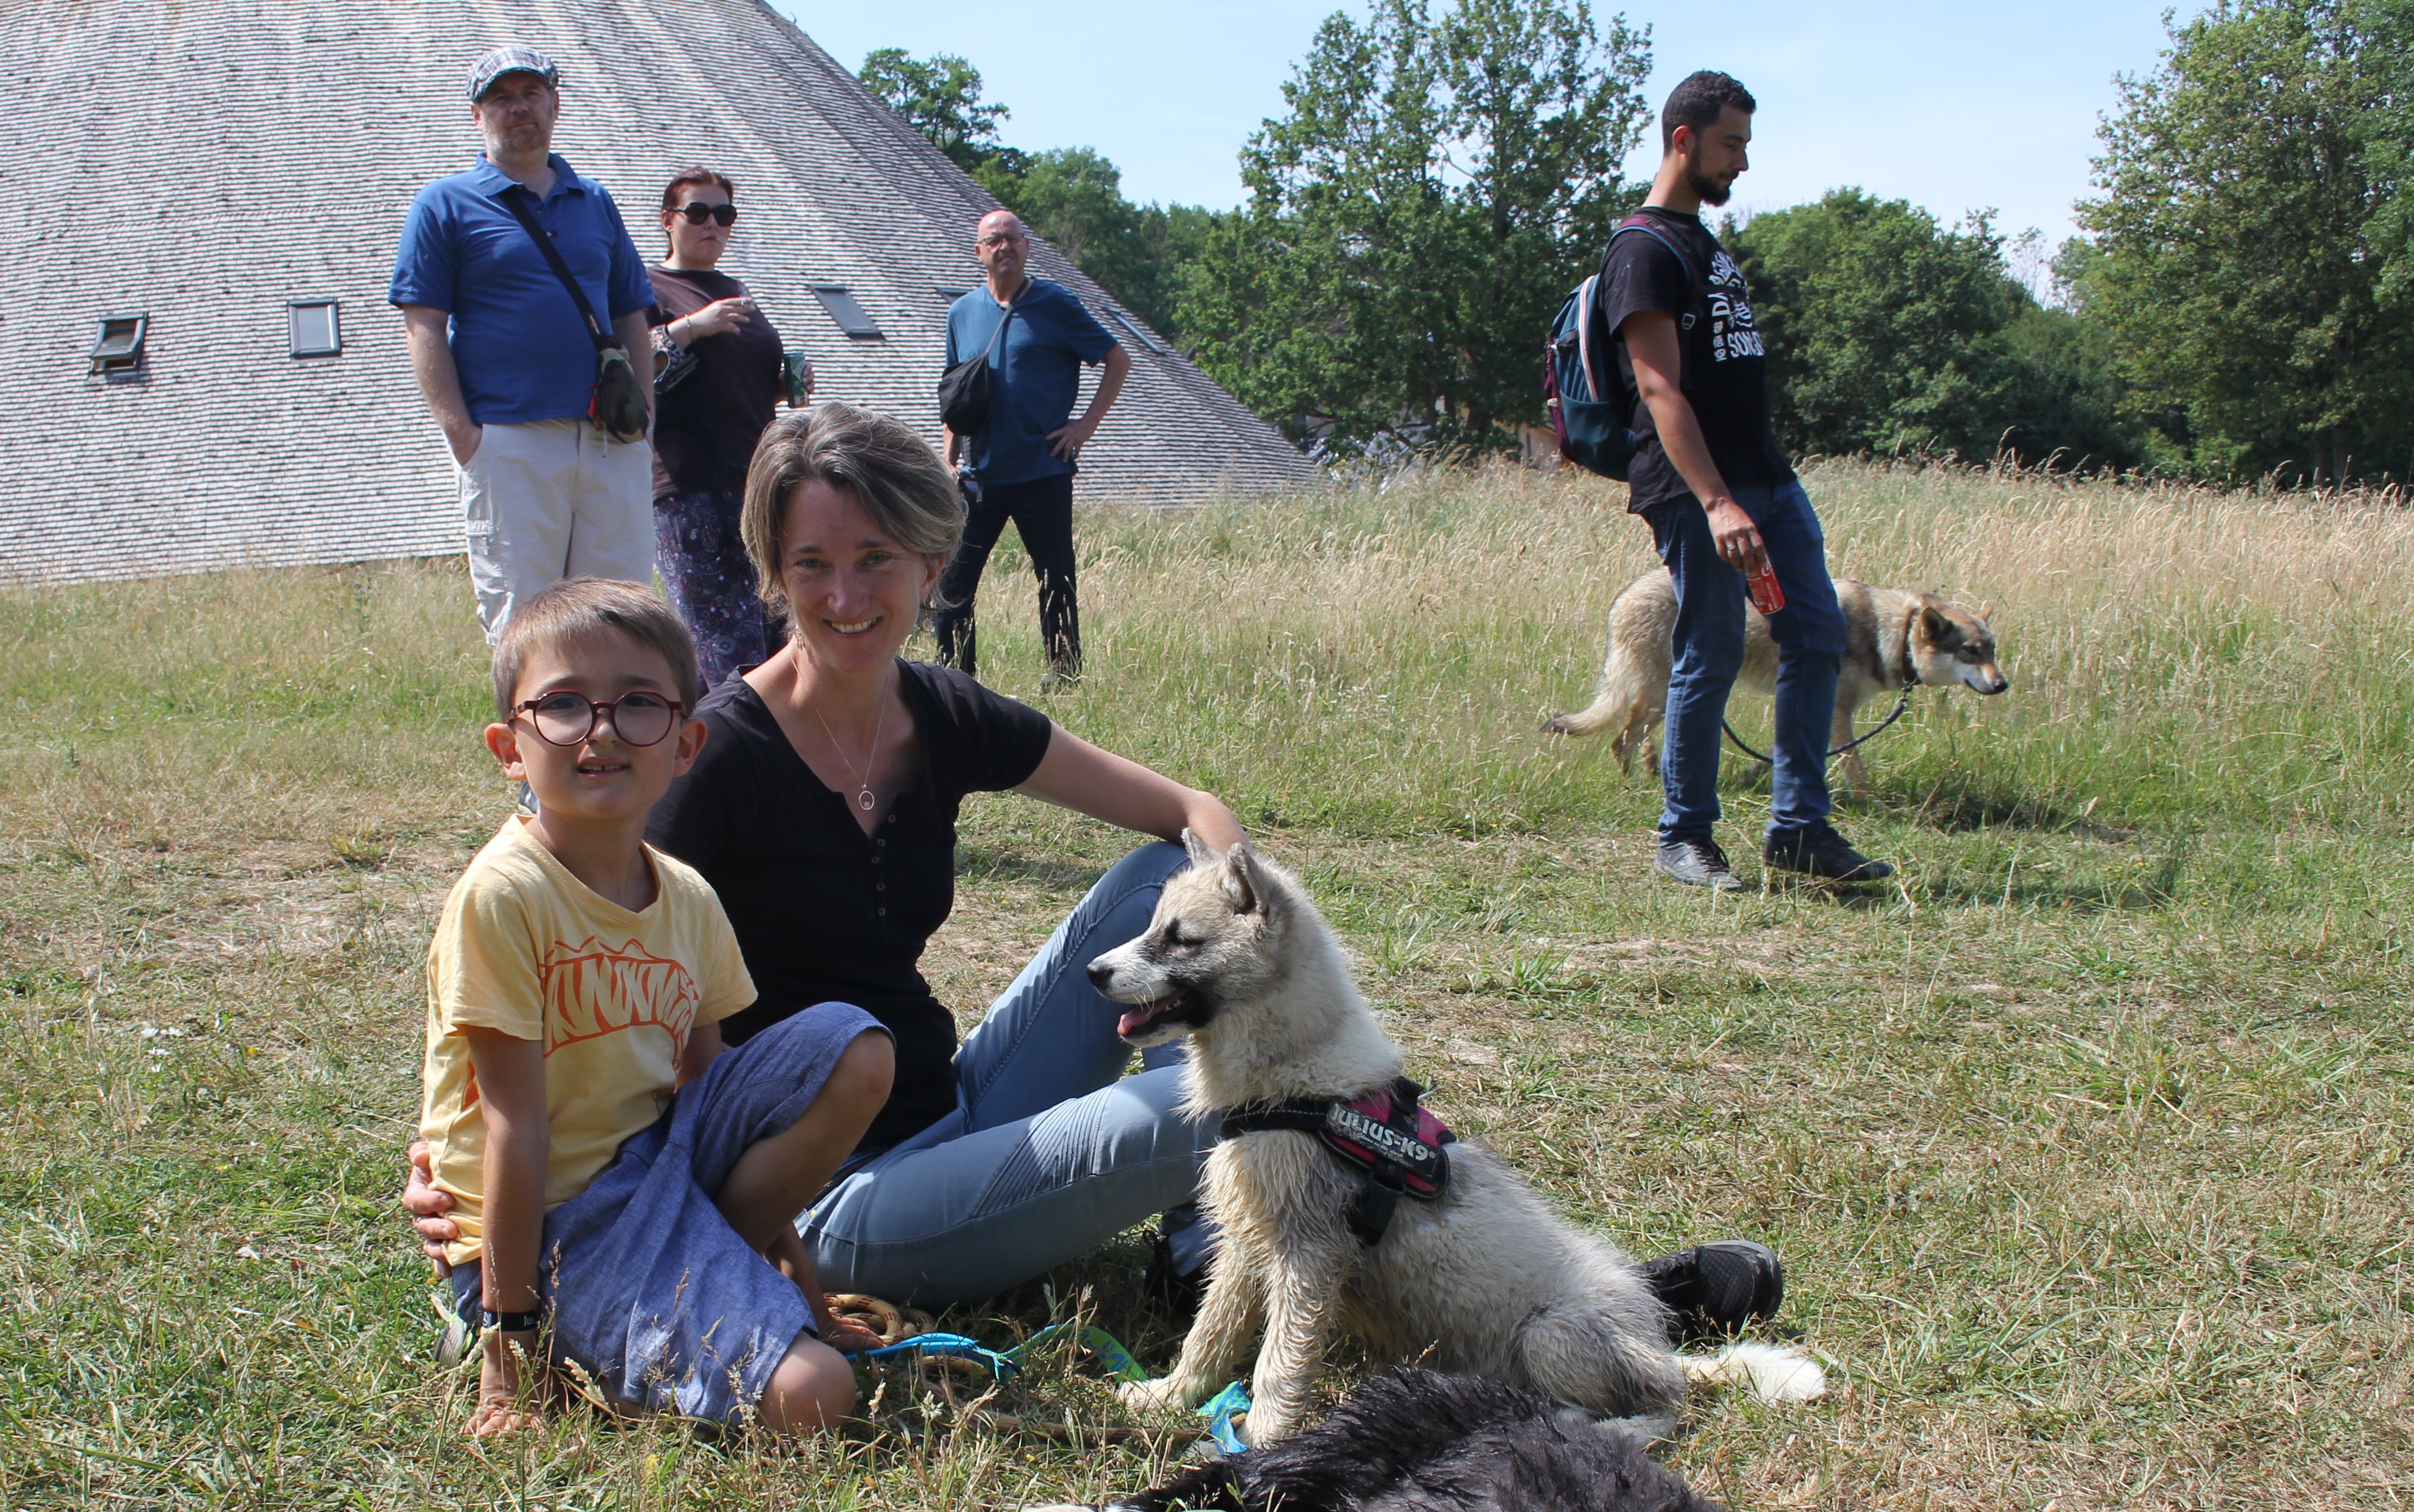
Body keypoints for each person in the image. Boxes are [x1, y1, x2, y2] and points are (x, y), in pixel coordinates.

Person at [406, 404, 1789, 1341]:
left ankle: (1350, 1250)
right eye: (811, 561)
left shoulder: (938, 709)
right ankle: (1578, 1302)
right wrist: (466, 1181)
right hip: (830, 1199)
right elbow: (586, 986)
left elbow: (1191, 814)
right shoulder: (716, 757)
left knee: (1160, 885)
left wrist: (1242, 919)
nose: (844, 595)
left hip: (953, 1100)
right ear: (768, 569)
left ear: (929, 557)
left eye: (874, 557)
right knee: (1218, 1112)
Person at [420, 576, 893, 1437]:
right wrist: (507, 1354)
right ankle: (539, 1333)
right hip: (560, 1227)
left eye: (639, 704)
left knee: (854, 1045)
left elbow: (714, 1098)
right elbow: (513, 1131)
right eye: (561, 705)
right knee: (815, 1395)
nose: (601, 730)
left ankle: (713, 1293)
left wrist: (800, 1277)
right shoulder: (505, 897)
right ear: (508, 746)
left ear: (686, 742)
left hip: (656, 1175)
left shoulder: (688, 898)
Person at [1608, 70, 1893, 889]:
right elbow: (1659, 389)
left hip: (1768, 477)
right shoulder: (1642, 249)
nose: (1742, 163)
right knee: (1712, 647)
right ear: (1684, 140)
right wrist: (1717, 499)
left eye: (1746, 145)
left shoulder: (1705, 243)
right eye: (1731, 144)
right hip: (1702, 489)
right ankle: (1684, 837)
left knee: (1816, 632)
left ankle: (1800, 828)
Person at [390, 46, 660, 645]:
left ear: (554, 105)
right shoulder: (445, 204)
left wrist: (645, 417)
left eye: (531, 94)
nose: (519, 109)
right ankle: (533, 740)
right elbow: (424, 325)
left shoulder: (595, 201)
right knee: (524, 623)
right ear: (477, 114)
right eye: (502, 98)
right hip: (510, 439)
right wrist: (465, 437)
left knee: (622, 616)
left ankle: (616, 736)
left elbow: (630, 313)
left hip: (610, 439)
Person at [931, 210, 1129, 683]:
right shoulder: (962, 314)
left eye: (1014, 239)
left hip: (1044, 470)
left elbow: (1116, 359)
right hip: (980, 475)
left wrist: (1084, 427)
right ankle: (956, 682)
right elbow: (955, 393)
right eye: (994, 241)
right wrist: (947, 457)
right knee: (953, 582)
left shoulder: (1055, 304)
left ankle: (1064, 674)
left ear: (1027, 247)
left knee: (1055, 579)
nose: (1006, 248)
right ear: (979, 253)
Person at [647, 165, 792, 687]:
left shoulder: (735, 288)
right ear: (669, 219)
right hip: (691, 486)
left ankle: (783, 753)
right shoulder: (650, 287)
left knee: (776, 628)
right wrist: (691, 328)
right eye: (699, 213)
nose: (713, 224)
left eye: (724, 215)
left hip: (756, 481)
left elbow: (731, 383)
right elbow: (629, 368)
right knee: (722, 642)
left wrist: (783, 386)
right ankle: (730, 752)